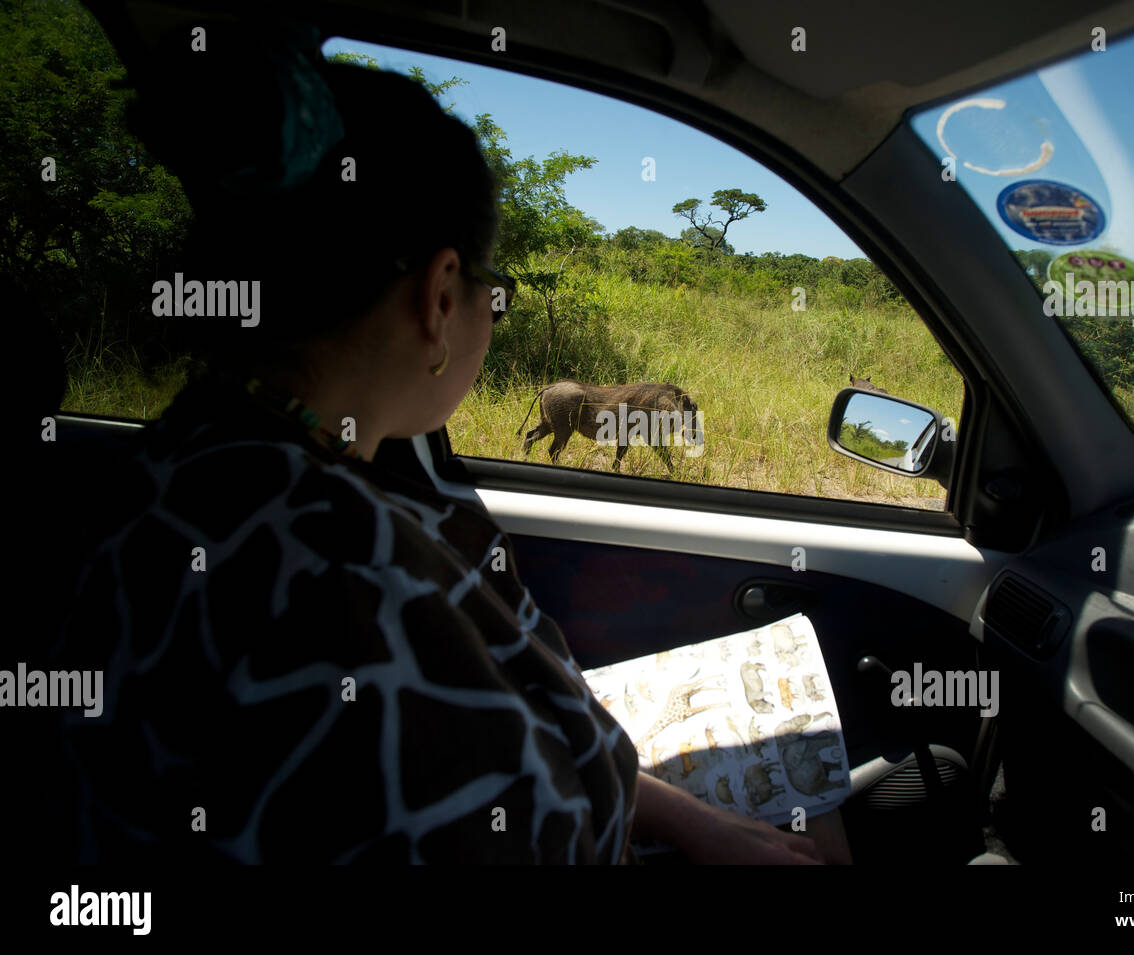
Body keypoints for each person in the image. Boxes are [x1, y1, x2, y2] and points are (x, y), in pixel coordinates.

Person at [48, 39, 827, 865]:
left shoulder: (186, 462)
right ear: (440, 295)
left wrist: (688, 816)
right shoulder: (345, 574)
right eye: (494, 292)